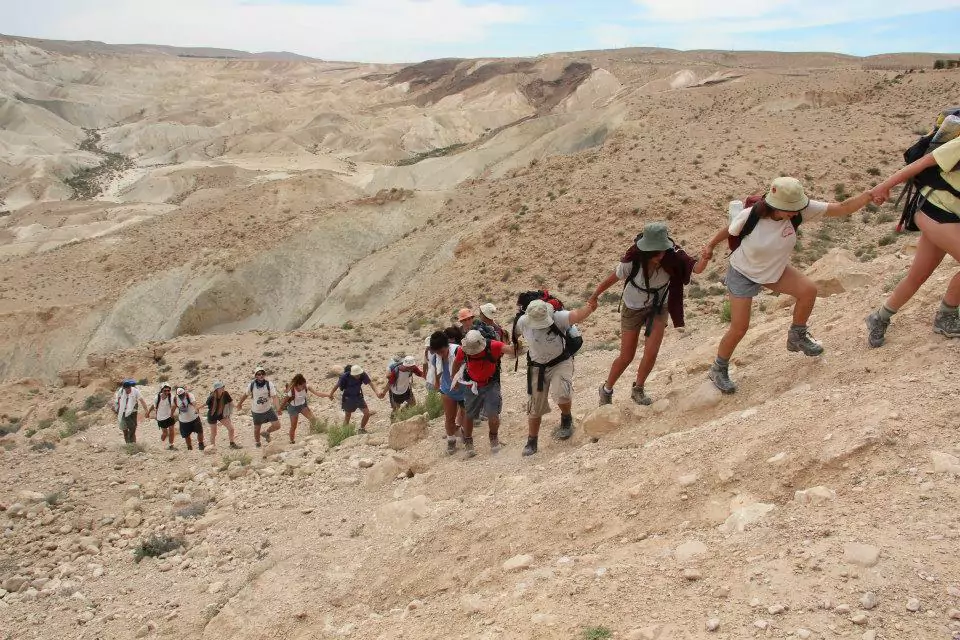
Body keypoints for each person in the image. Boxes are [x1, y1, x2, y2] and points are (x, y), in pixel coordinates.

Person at [699, 177, 872, 393]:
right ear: (774, 205)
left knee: (808, 291)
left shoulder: (800, 210)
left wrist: (869, 195)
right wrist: (711, 246)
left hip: (774, 271)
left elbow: (842, 208)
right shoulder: (750, 216)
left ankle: (796, 336)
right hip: (743, 272)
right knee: (739, 327)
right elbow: (730, 230)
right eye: (788, 209)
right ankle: (718, 368)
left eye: (796, 208)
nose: (794, 213)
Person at [589, 222, 705, 406]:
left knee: (651, 352)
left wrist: (705, 258)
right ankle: (606, 389)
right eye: (656, 252)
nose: (660, 255)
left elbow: (695, 268)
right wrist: (595, 296)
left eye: (662, 250)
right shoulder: (633, 260)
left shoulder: (672, 258)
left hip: (659, 305)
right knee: (627, 356)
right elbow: (613, 277)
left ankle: (639, 389)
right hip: (632, 306)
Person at [865, 136, 960, 346]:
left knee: (918, 275)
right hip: (933, 210)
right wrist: (883, 186)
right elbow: (923, 163)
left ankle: (879, 317)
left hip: (951, 215)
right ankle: (947, 315)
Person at [515, 298, 597, 456]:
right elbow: (514, 335)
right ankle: (532, 441)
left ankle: (566, 418)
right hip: (537, 367)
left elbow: (576, 315)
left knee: (562, 393)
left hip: (560, 362)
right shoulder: (523, 322)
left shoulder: (558, 317)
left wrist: (590, 307)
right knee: (534, 405)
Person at [452, 329, 518, 458]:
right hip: (472, 384)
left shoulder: (493, 345)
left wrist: (517, 346)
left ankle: (493, 437)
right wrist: (454, 378)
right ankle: (468, 441)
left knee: (493, 415)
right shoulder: (462, 350)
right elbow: (456, 363)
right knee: (469, 415)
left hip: (490, 384)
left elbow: (511, 351)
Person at [428, 331, 468, 455]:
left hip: (464, 389)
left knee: (467, 417)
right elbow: (436, 371)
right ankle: (451, 440)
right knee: (449, 418)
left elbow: (467, 367)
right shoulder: (436, 357)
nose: (439, 354)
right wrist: (437, 383)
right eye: (437, 352)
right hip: (447, 389)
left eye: (441, 351)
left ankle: (467, 437)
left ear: (447, 346)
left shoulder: (458, 351)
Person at [329, 365, 384, 434]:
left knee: (367, 413)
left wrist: (377, 392)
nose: (358, 376)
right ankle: (344, 432)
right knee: (348, 416)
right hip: (348, 398)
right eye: (356, 375)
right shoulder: (345, 377)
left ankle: (361, 429)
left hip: (358, 397)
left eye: (359, 375)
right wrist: (331, 394)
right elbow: (336, 386)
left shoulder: (363, 374)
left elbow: (371, 384)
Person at [236, 366, 281, 447]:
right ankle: (258, 443)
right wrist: (239, 404)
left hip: (268, 409)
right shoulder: (252, 385)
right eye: (259, 374)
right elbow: (245, 395)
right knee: (257, 429)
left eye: (262, 374)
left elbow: (274, 397)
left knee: (277, 425)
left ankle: (267, 433)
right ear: (256, 376)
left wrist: (278, 408)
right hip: (256, 411)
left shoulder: (269, 384)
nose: (261, 375)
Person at [281, 374, 325, 444]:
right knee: (293, 426)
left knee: (313, 419)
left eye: (305, 385)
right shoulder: (291, 391)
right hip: (293, 408)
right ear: (297, 385)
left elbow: (317, 393)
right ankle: (292, 441)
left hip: (303, 406)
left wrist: (328, 395)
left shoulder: (307, 387)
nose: (304, 387)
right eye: (303, 386)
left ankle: (312, 434)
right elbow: (284, 401)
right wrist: (279, 409)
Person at [205, 382, 240, 449]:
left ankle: (232, 444)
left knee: (231, 429)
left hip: (220, 414)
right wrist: (198, 408)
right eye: (221, 387)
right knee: (214, 433)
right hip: (212, 416)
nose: (223, 388)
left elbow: (231, 402)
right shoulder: (212, 396)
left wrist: (237, 406)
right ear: (217, 389)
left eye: (223, 386)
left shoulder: (225, 394)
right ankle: (212, 447)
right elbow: (206, 404)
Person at [113, 379, 148, 444]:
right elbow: (117, 402)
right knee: (125, 430)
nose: (127, 391)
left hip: (132, 412)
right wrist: (116, 410)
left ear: (130, 387)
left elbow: (142, 401)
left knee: (133, 427)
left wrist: (146, 411)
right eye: (126, 389)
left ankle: (133, 443)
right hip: (123, 412)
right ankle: (129, 444)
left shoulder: (135, 391)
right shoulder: (120, 392)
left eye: (128, 389)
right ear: (124, 388)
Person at [173, 387, 205, 451]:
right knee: (186, 436)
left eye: (182, 394)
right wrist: (171, 414)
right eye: (180, 395)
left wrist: (196, 409)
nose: (182, 396)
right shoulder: (175, 399)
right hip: (184, 421)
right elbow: (173, 407)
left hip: (194, 418)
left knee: (200, 431)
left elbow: (194, 403)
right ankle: (189, 448)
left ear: (185, 392)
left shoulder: (189, 395)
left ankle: (201, 445)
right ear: (177, 395)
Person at [147, 383, 177, 450]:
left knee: (172, 430)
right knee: (165, 433)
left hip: (169, 416)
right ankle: (161, 444)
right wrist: (148, 412)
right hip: (161, 418)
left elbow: (174, 405)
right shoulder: (157, 397)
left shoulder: (171, 397)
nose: (167, 392)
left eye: (168, 390)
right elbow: (153, 405)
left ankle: (171, 445)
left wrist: (172, 413)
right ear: (161, 390)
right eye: (165, 390)